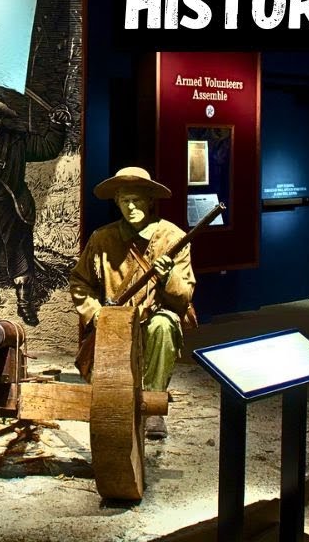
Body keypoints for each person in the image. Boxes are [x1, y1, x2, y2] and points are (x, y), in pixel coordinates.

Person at [69, 167, 196, 440]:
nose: (131, 206)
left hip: (153, 316)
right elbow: (80, 281)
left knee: (162, 326)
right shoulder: (102, 239)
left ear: (150, 200)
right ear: (116, 201)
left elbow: (184, 296)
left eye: (137, 199)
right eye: (125, 200)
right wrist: (96, 313)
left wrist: (168, 277)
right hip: (114, 318)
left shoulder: (172, 238)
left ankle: (153, 406)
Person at [0, 94, 69, 324]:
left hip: (12, 206)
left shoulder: (18, 140)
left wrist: (57, 126)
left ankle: (26, 306)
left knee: (20, 253)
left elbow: (48, 148)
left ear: (3, 119)